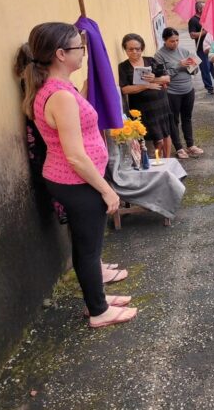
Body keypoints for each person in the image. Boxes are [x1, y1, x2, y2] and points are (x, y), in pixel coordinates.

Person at [19, 22, 135, 328]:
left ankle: (97, 299)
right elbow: (74, 154)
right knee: (87, 249)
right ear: (60, 54)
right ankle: (99, 312)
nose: (83, 53)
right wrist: (106, 189)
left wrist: (92, 78)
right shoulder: (59, 96)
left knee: (89, 246)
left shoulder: (61, 89)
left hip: (75, 179)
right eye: (78, 48)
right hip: (76, 181)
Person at [118, 33, 172, 157]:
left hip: (161, 105)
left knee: (165, 133)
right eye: (130, 49)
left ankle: (167, 160)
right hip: (141, 109)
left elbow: (167, 78)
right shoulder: (123, 67)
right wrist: (146, 86)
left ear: (142, 48)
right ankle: (153, 161)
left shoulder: (150, 61)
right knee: (149, 137)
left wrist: (153, 79)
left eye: (138, 49)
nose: (134, 52)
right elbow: (124, 89)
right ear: (125, 50)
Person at [154, 27, 204, 159]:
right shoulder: (159, 55)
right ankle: (179, 148)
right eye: (172, 41)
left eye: (177, 40)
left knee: (187, 118)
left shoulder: (184, 51)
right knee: (174, 120)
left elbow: (195, 72)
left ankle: (190, 145)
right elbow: (161, 76)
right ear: (164, 40)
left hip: (188, 89)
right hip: (172, 92)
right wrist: (178, 65)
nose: (175, 43)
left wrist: (193, 66)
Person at [188, 1, 214, 95]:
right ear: (199, 9)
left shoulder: (206, 19)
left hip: (211, 47)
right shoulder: (193, 20)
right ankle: (209, 87)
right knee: (205, 68)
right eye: (204, 8)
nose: (207, 9)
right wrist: (204, 32)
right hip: (201, 49)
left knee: (213, 67)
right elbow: (192, 35)